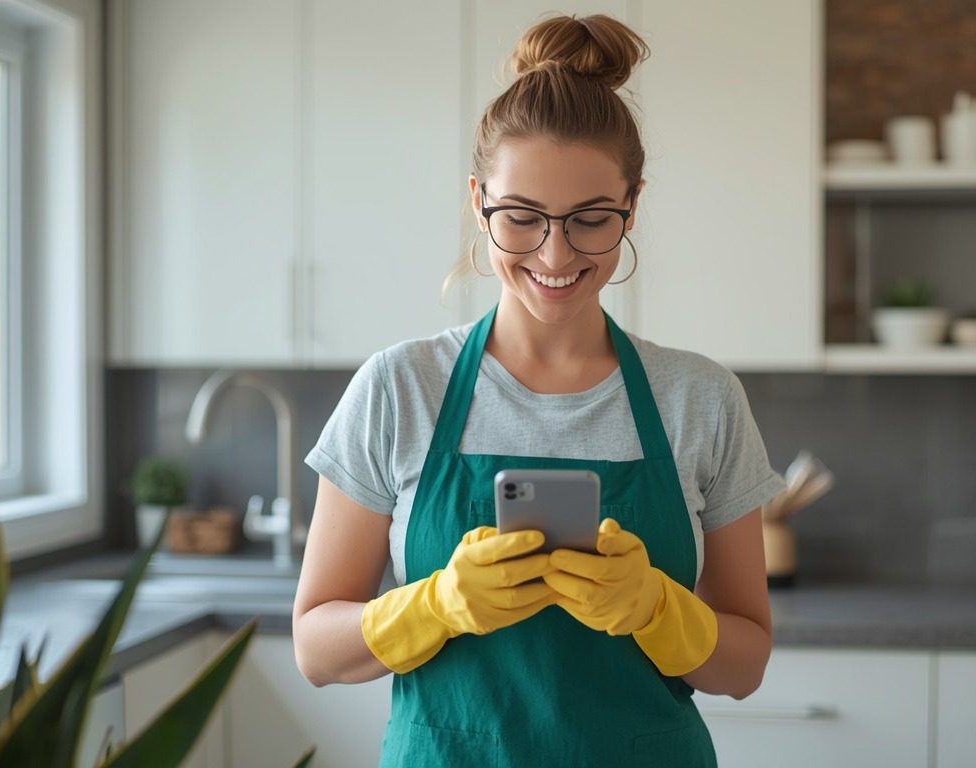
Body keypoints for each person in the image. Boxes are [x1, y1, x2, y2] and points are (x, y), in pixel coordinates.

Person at [292, 13, 784, 767]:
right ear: (478, 200)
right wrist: (439, 606)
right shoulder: (400, 389)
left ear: (633, 205)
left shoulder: (700, 398)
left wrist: (656, 608)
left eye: (592, 219)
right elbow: (316, 649)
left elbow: (744, 664)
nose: (555, 254)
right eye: (520, 218)